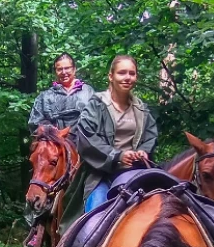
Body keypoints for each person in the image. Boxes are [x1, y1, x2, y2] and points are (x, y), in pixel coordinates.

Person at [58, 55, 157, 236]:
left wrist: (144, 151)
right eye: (122, 73)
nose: (127, 77)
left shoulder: (141, 108)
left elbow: (150, 135)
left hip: (137, 173)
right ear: (110, 76)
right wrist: (117, 156)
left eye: (132, 73)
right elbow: (86, 139)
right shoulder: (96, 105)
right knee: (95, 223)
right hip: (101, 175)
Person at [27, 53, 95, 135]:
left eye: (67, 68)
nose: (63, 72)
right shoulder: (45, 97)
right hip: (55, 143)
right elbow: (35, 124)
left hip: (84, 143)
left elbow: (98, 119)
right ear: (55, 71)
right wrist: (53, 132)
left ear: (74, 69)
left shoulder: (88, 92)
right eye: (59, 69)